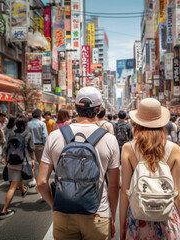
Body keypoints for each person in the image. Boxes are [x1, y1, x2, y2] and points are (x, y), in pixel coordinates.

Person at [37, 87, 120, 240]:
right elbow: (114, 186)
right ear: (99, 109)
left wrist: (54, 207)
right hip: (98, 213)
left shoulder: (55, 136)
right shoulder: (109, 139)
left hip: (64, 214)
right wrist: (112, 217)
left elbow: (41, 182)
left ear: (75, 108)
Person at [120, 98, 180, 240]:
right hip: (167, 217)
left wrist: (122, 226)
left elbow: (125, 192)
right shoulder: (174, 149)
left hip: (138, 218)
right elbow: (178, 192)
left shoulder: (128, 148)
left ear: (137, 123)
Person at [0, 116, 35, 219]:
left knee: (17, 178)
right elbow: (31, 149)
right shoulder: (27, 134)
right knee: (13, 187)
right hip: (22, 162)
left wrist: (5, 158)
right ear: (25, 125)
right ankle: (4, 210)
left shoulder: (11, 134)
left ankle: (23, 191)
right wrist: (32, 160)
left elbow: (6, 148)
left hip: (11, 162)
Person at [27, 109, 48, 188]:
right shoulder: (42, 124)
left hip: (29, 146)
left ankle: (34, 179)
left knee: (33, 164)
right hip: (39, 146)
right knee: (42, 164)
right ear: (40, 115)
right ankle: (41, 181)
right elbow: (45, 136)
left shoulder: (28, 124)